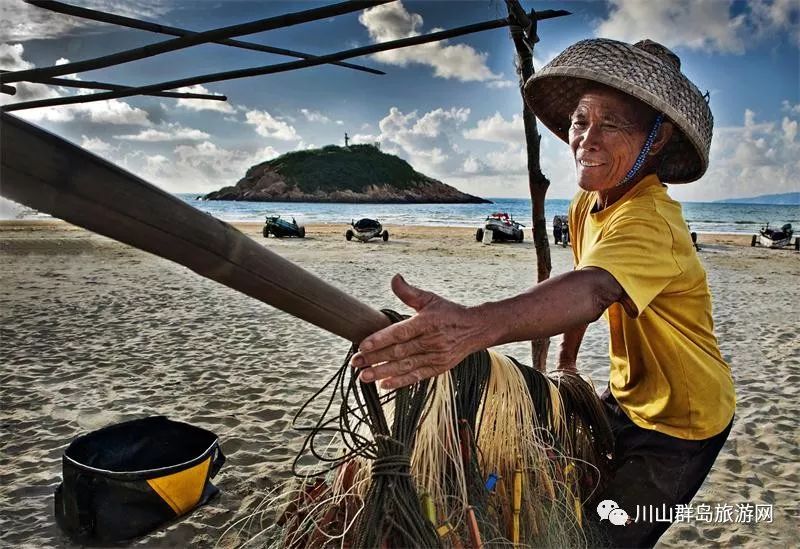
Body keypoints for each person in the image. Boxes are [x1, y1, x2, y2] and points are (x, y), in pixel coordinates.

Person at [350, 38, 735, 548]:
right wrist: (567, 363)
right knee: (572, 496)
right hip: (627, 394)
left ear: (657, 139)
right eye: (581, 121)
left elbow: (595, 289)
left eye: (612, 124)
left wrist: (472, 325)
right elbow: (584, 277)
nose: (587, 140)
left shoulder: (653, 222)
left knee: (608, 536)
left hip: (683, 420)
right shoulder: (587, 204)